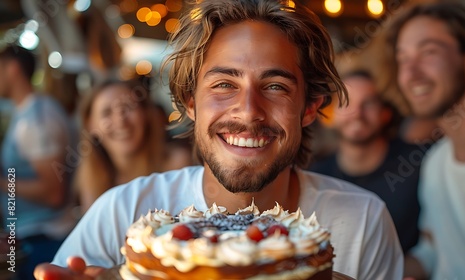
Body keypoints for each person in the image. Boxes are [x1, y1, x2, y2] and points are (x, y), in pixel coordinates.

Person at [34, 1, 403, 279]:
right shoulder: (124, 213)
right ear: (191, 102)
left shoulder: (362, 221)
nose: (247, 112)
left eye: (275, 86)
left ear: (309, 108)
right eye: (225, 85)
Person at [386, 2, 465, 279]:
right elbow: (432, 252)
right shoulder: (435, 163)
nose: (411, 74)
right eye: (403, 59)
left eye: (428, 52)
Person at [309, 69, 421, 255]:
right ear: (332, 114)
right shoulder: (318, 177)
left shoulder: (417, 163)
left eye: (368, 103)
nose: (357, 113)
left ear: (385, 113)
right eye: (346, 103)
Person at [0, 44, 77, 279]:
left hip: (45, 242)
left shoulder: (36, 119)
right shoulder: (28, 113)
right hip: (33, 239)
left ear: (12, 69)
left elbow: (53, 193)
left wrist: (2, 183)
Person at [74, 79, 193, 213]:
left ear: (145, 114)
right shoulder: (90, 177)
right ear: (91, 126)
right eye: (106, 112)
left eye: (128, 107)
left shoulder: (176, 164)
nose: (120, 121)